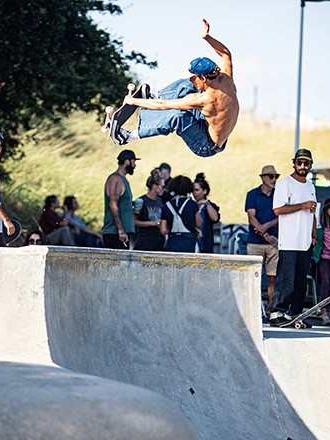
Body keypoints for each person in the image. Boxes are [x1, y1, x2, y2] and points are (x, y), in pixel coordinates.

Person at [114, 19, 239, 158]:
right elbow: (225, 53)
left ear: (203, 78)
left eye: (195, 77)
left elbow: (164, 105)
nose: (192, 79)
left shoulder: (205, 100)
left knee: (178, 115)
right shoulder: (226, 77)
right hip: (213, 127)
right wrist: (207, 37)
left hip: (207, 145)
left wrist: (133, 101)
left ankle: (128, 137)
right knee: (187, 85)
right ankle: (152, 98)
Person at [269, 148, 317, 328]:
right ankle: (276, 312)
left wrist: (313, 234)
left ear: (311, 165)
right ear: (294, 163)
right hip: (289, 240)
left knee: (300, 281)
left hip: (306, 242)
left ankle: (294, 313)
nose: (303, 166)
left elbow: (312, 213)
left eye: (306, 163)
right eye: (300, 163)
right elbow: (278, 209)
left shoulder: (310, 186)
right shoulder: (285, 183)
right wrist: (302, 205)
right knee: (285, 279)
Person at [245, 165, 280, 312]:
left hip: (273, 242)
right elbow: (251, 217)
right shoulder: (252, 194)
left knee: (273, 277)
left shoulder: (279, 194)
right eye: (271, 176)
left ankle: (271, 309)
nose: (274, 179)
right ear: (262, 177)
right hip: (256, 242)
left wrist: (266, 225)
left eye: (276, 177)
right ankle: (253, 309)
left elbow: (282, 216)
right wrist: (265, 234)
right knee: (253, 278)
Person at [101, 149, 138, 249]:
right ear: (127, 162)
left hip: (123, 233)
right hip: (115, 233)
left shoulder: (123, 179)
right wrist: (120, 229)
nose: (135, 166)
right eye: (133, 162)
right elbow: (113, 204)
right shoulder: (115, 179)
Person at [313, 198, 330, 325]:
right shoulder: (320, 223)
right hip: (324, 257)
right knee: (325, 282)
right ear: (325, 209)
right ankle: (324, 310)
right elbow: (317, 240)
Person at [160, 176, 202, 253]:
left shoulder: (166, 206)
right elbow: (199, 223)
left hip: (172, 242)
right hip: (189, 243)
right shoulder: (192, 204)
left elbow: (163, 230)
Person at [132, 168, 165, 251]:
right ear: (155, 186)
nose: (163, 189)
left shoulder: (160, 201)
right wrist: (152, 223)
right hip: (145, 241)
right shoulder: (141, 201)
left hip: (158, 242)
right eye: (162, 187)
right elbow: (134, 222)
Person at [192, 172, 220, 254]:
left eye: (197, 190)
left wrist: (206, 203)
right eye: (193, 190)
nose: (194, 193)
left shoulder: (211, 206)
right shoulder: (191, 206)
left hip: (206, 244)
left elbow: (215, 218)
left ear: (204, 191)